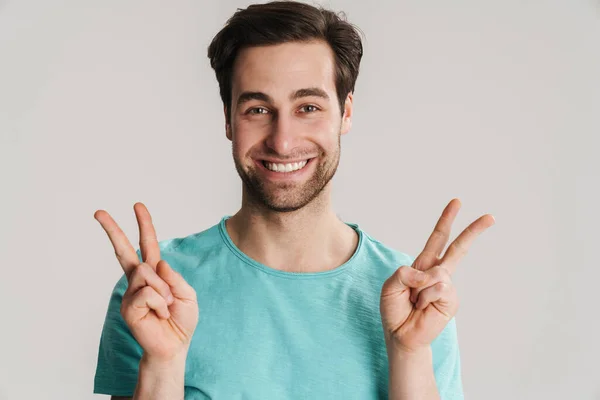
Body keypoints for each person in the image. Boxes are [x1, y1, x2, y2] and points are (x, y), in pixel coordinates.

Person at [93, 1, 494, 399]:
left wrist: (409, 352)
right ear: (229, 119)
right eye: (258, 108)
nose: (282, 141)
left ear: (345, 112)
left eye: (308, 107)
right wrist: (162, 363)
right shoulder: (157, 289)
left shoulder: (416, 296)